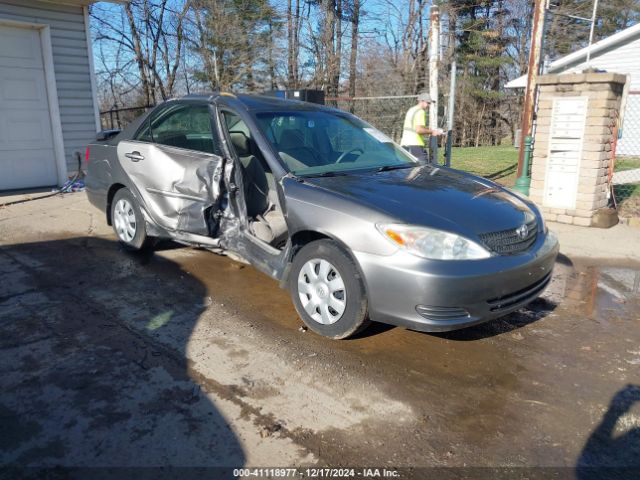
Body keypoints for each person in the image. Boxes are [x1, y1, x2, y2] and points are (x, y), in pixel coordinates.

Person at [400, 92, 443, 162]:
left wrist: (428, 129)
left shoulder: (412, 110)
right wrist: (432, 132)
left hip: (405, 145)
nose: (429, 105)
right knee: (423, 168)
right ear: (421, 101)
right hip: (415, 145)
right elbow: (419, 130)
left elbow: (414, 127)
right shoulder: (420, 112)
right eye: (428, 103)